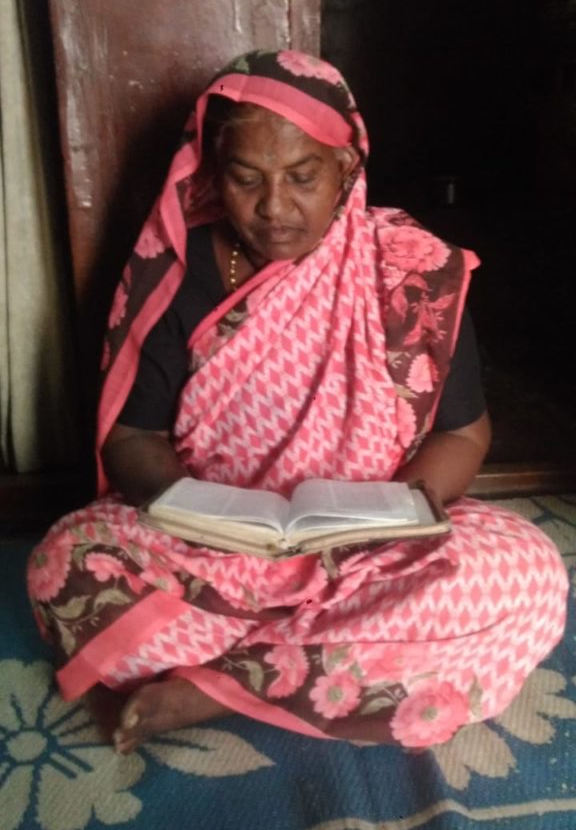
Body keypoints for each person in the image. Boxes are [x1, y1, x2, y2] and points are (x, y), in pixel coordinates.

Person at [27, 50, 568, 754]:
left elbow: (462, 435)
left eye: (302, 177)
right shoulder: (180, 270)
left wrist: (390, 522)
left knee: (526, 572)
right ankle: (320, 664)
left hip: (370, 555)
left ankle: (212, 688)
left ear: (346, 167)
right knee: (64, 563)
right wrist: (198, 513)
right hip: (216, 553)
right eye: (246, 178)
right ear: (213, 171)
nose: (274, 207)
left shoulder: (412, 270)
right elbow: (133, 438)